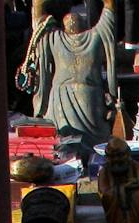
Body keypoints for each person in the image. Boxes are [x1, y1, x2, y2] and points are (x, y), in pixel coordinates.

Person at [17, 0, 118, 148]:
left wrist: (40, 4)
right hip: (89, 96)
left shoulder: (55, 38)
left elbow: (39, 21)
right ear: (84, 26)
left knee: (65, 141)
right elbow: (109, 11)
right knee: (94, 144)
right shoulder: (96, 36)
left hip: (61, 98)